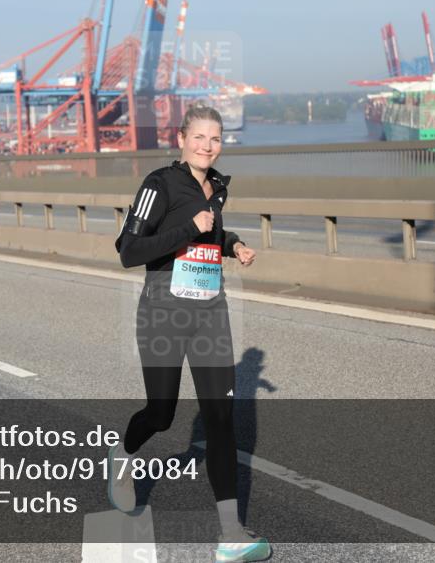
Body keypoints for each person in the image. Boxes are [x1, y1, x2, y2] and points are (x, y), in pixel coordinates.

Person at [109, 105, 266, 562]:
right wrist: (185, 230)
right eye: (200, 137)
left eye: (215, 139)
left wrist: (231, 244)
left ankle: (231, 535)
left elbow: (208, 235)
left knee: (221, 420)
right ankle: (123, 452)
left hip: (210, 312)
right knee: (161, 414)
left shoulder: (216, 187)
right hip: (162, 311)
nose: (207, 146)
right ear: (182, 138)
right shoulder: (159, 183)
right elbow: (128, 249)